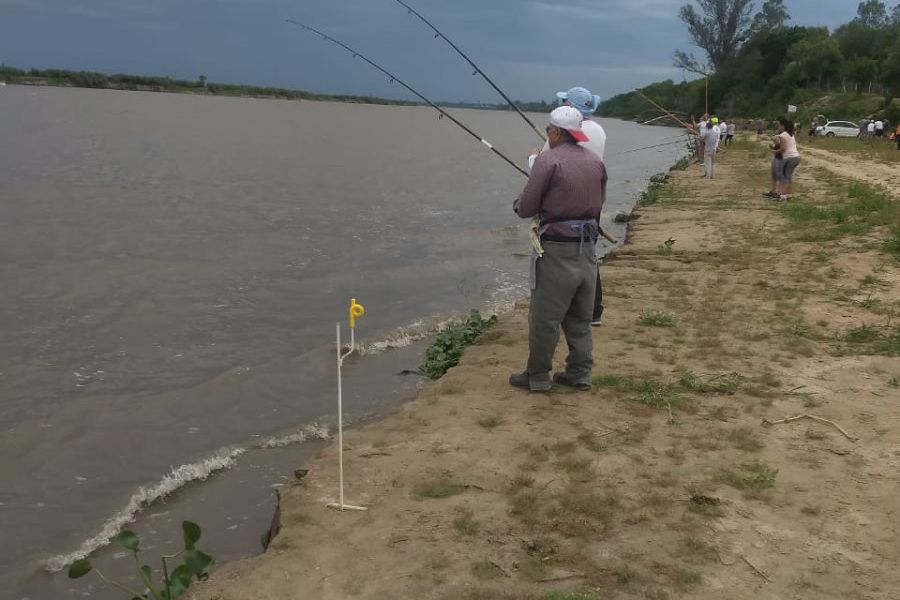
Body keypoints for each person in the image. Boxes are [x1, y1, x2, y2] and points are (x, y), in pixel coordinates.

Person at [511, 106, 607, 392]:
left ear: (555, 132)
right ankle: (579, 373)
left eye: (548, 130)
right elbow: (599, 202)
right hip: (587, 250)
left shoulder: (547, 161)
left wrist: (519, 201)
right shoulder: (595, 162)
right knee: (579, 317)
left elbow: (525, 207)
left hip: (556, 250)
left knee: (545, 317)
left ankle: (537, 377)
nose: (547, 134)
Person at [529, 86, 608, 326]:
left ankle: (559, 310)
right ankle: (593, 310)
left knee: (555, 258)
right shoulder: (599, 131)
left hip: (562, 202)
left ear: (570, 107)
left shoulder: (564, 136)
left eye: (564, 102)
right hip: (592, 197)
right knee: (587, 254)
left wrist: (532, 156)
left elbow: (541, 167)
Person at [773, 117, 800, 202]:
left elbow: (783, 149)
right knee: (788, 176)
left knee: (782, 176)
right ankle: (788, 194)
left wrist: (773, 151)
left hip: (788, 158)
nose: (778, 127)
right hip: (796, 157)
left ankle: (783, 196)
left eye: (779, 125)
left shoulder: (782, 135)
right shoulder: (791, 134)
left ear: (783, 126)